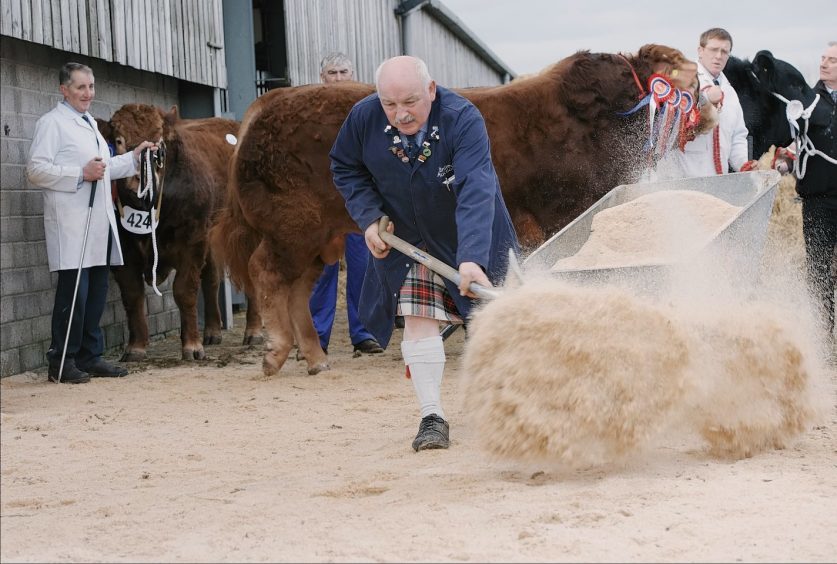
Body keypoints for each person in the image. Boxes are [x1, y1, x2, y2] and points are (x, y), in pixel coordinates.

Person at [330, 56, 519, 451]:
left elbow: (476, 188)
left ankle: (509, 406)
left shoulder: (462, 118)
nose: (401, 114)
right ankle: (432, 416)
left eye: (411, 102)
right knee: (418, 317)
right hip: (410, 242)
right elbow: (345, 167)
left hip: (471, 235)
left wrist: (472, 257)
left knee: (493, 323)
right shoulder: (363, 118)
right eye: (390, 104)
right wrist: (368, 217)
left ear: (431, 90)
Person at [27, 62, 158, 384]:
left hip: (98, 225)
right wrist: (79, 174)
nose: (88, 93)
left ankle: (89, 356)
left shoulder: (88, 124)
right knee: (75, 296)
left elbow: (104, 168)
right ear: (64, 89)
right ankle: (62, 362)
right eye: (81, 87)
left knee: (97, 292)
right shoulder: (52, 124)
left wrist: (135, 158)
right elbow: (35, 170)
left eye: (91, 87)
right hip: (72, 225)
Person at [308, 52, 384, 356]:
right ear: (322, 78)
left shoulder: (369, 108)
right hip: (324, 202)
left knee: (364, 266)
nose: (338, 78)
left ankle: (364, 332)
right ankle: (317, 336)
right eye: (332, 73)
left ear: (353, 74)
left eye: (343, 71)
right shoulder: (311, 110)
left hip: (359, 201)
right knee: (323, 267)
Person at [658, 28, 756, 178]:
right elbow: (669, 124)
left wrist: (743, 164)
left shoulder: (730, 93)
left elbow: (737, 137)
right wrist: (704, 98)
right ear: (700, 50)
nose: (718, 56)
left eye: (724, 52)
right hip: (681, 181)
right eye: (713, 49)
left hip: (716, 183)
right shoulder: (681, 79)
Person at [794, 42, 837, 346]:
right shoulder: (805, 101)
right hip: (818, 199)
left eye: (832, 60)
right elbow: (787, 136)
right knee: (819, 268)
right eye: (823, 58)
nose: (824, 64)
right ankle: (821, 333)